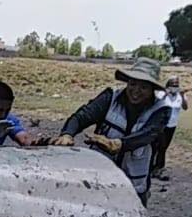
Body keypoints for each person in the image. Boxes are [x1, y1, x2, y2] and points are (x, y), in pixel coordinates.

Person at [53, 57, 169, 205]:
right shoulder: (110, 97)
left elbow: (148, 134)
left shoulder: (161, 110)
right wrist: (67, 134)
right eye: (133, 84)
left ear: (152, 89)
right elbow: (83, 116)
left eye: (144, 87)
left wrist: (118, 144)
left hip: (134, 186)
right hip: (100, 179)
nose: (136, 91)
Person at [153, 76, 189, 180]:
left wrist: (182, 96)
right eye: (172, 85)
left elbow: (185, 107)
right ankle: (158, 168)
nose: (175, 87)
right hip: (161, 125)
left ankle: (157, 167)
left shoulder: (180, 96)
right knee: (160, 146)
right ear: (168, 85)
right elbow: (156, 104)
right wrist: (165, 93)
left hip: (172, 125)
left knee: (163, 147)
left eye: (176, 85)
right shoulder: (162, 94)